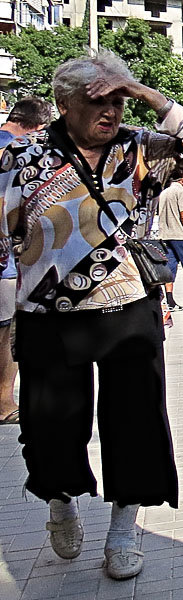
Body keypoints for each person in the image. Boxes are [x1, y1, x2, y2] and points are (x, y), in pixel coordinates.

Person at [0, 51, 183, 581]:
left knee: (135, 419)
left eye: (117, 100)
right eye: (99, 101)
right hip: (48, 311)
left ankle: (123, 526)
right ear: (63, 104)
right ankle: (59, 499)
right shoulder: (22, 157)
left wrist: (144, 93)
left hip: (128, 304)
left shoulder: (137, 146)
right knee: (48, 423)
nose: (111, 111)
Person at [0, 96, 53, 425]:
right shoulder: (17, 151)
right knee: (7, 333)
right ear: (38, 125)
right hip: (5, 263)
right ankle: (5, 402)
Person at [156, 169, 183, 325]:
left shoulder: (164, 192)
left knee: (170, 269)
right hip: (180, 236)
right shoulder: (181, 193)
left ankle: (170, 300)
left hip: (165, 235)